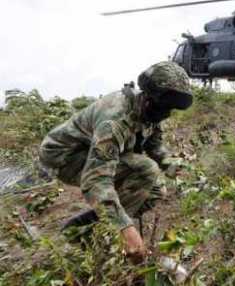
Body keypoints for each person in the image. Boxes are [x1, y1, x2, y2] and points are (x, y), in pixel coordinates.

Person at [39, 61, 193, 263]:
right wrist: (125, 228)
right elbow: (96, 180)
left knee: (155, 190)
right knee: (146, 169)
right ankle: (112, 234)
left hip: (89, 151)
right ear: (147, 98)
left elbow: (155, 145)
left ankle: (87, 228)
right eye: (165, 107)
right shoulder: (115, 121)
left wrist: (173, 164)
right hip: (65, 157)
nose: (166, 113)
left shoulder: (152, 111)